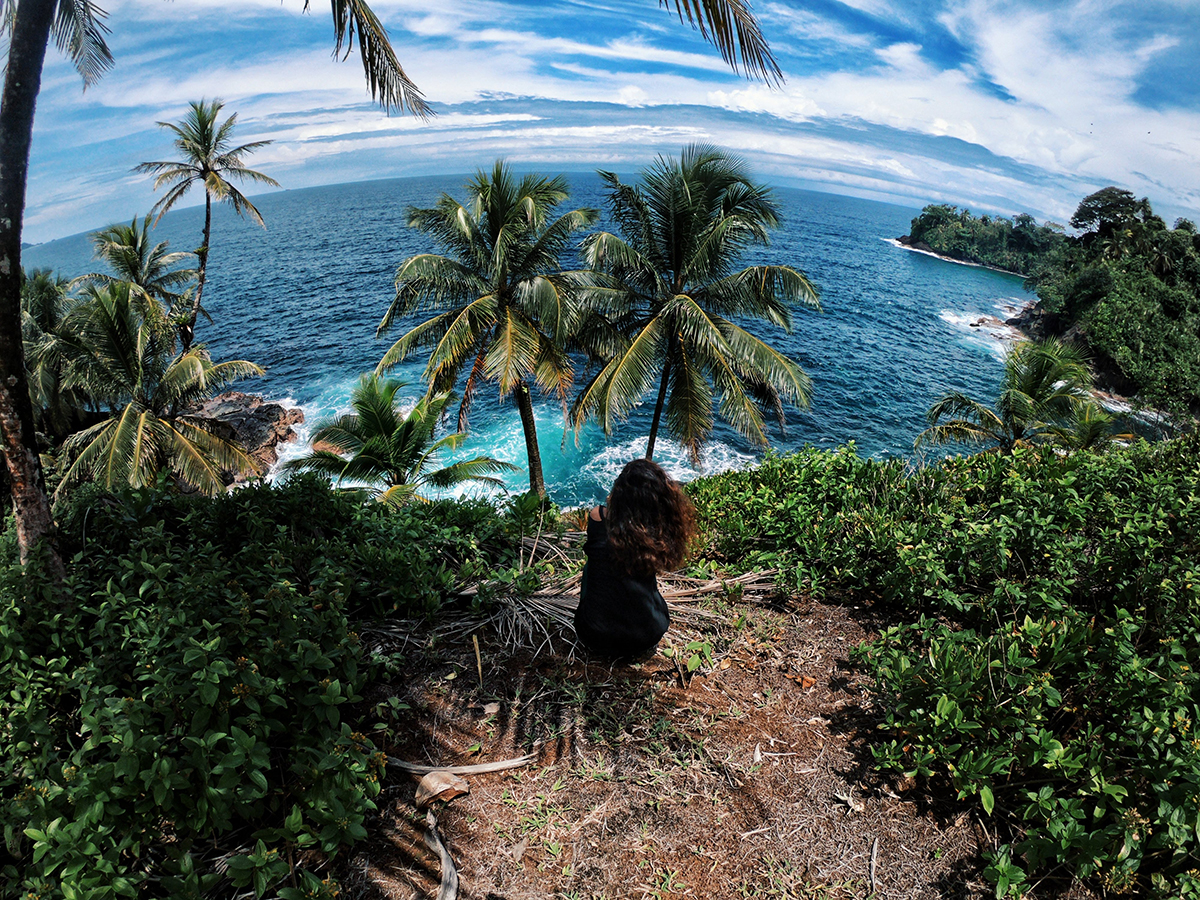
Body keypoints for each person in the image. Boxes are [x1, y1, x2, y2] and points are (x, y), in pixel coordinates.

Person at [574, 459, 697, 658]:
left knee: (592, 565)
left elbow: (609, 510)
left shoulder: (598, 517)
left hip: (595, 636)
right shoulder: (657, 530)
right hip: (648, 635)